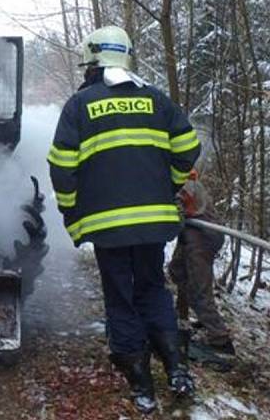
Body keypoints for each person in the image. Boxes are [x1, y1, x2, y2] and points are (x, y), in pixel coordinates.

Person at [47, 25, 201, 414]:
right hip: (154, 222)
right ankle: (177, 369)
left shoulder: (81, 105)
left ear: (94, 60)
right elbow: (188, 148)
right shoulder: (156, 100)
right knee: (151, 287)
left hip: (107, 225)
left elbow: (62, 167)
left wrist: (70, 209)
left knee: (120, 294)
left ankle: (141, 384)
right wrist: (166, 186)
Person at [169, 170, 235, 367]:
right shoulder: (180, 178)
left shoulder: (180, 184)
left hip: (202, 237)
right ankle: (182, 317)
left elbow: (177, 219)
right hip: (194, 234)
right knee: (177, 270)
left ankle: (220, 340)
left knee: (199, 289)